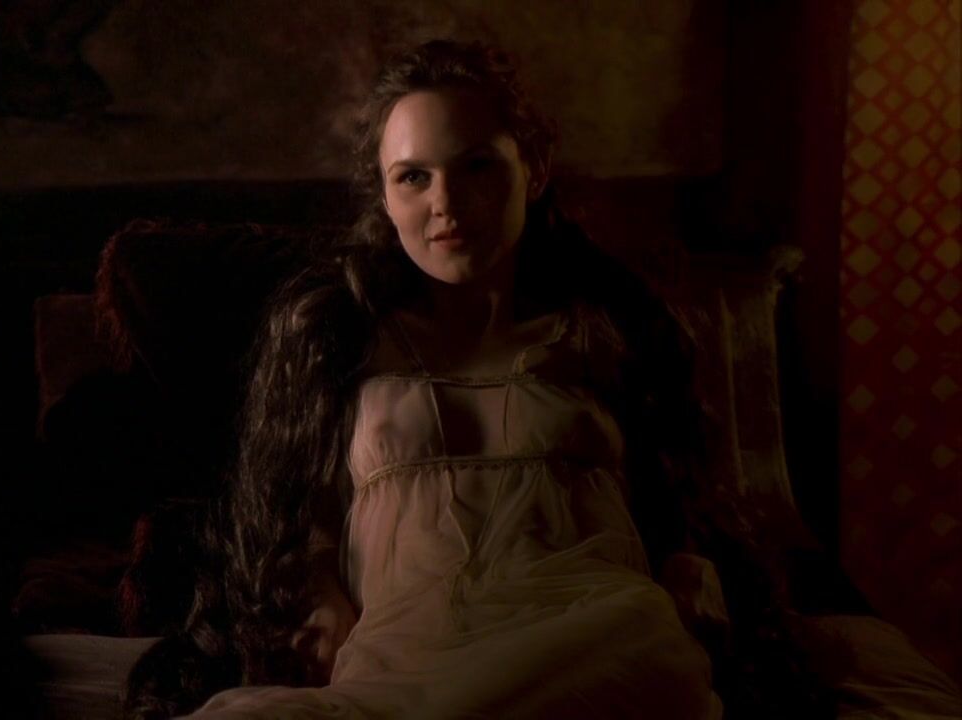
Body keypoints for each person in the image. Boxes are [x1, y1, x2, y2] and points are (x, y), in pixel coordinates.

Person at [124, 39, 831, 719]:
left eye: (477, 167)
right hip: (406, 653)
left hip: (595, 642)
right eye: (413, 177)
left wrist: (689, 566)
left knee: (640, 637)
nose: (446, 204)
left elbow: (682, 499)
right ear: (383, 195)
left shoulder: (608, 331)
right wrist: (315, 587)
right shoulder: (334, 339)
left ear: (535, 169)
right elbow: (288, 507)